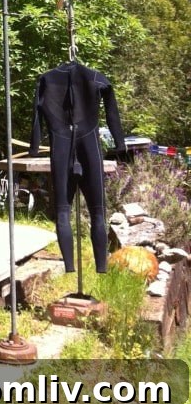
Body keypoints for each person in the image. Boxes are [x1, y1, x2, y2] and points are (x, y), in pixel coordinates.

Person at [30, 60, 124, 273]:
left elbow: (36, 114)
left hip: (61, 149)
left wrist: (35, 146)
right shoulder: (94, 76)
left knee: (63, 212)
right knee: (98, 212)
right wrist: (119, 141)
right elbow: (110, 102)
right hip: (89, 147)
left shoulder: (46, 79)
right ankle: (101, 266)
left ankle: (70, 267)